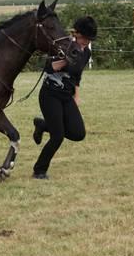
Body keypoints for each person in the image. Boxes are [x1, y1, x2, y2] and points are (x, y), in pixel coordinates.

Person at [32, 16, 97, 179]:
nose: (86, 42)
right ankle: (39, 170)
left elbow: (77, 76)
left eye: (89, 40)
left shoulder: (86, 53)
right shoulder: (64, 45)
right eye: (84, 39)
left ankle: (42, 125)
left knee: (78, 133)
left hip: (67, 96)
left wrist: (76, 95)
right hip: (50, 94)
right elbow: (47, 67)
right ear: (77, 34)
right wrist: (64, 61)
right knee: (58, 136)